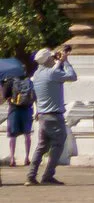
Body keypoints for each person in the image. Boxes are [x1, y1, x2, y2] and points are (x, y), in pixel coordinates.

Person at [26, 49, 73, 185]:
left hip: (42, 115)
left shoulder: (37, 74)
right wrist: (66, 62)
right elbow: (72, 76)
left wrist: (57, 62)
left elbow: (52, 73)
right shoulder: (52, 73)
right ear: (48, 60)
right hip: (54, 115)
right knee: (58, 145)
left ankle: (31, 175)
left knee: (41, 146)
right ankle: (48, 175)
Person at [0, 49, 30, 174]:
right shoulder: (28, 81)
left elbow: (4, 98)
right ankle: (27, 157)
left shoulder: (9, 82)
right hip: (27, 109)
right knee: (27, 134)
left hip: (14, 109)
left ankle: (12, 157)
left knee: (12, 136)